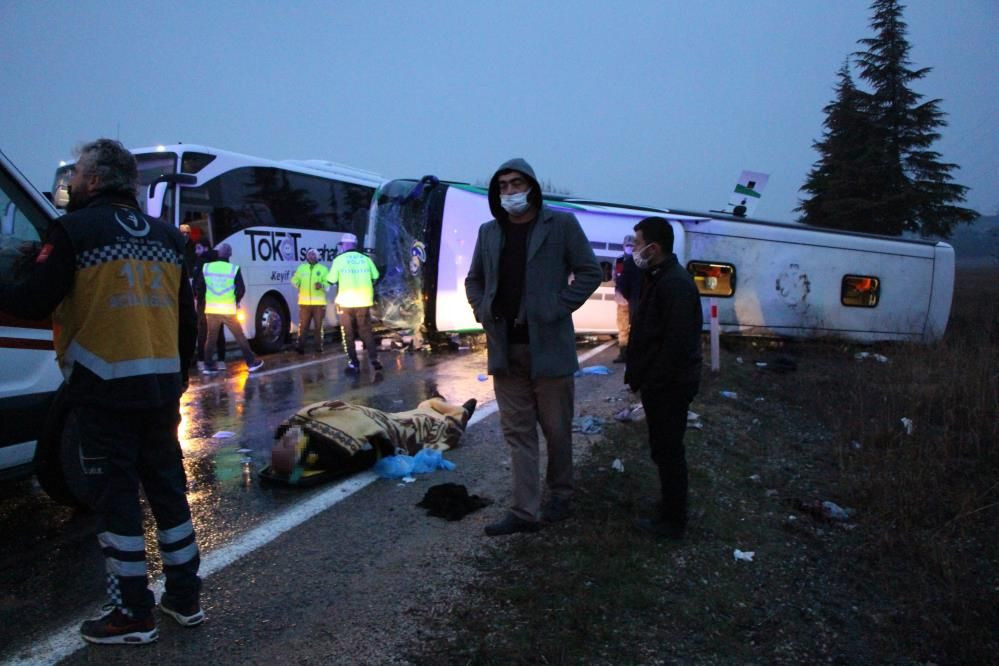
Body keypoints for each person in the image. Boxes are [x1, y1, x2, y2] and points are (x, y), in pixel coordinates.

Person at [0, 139, 204, 644]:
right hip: (159, 387)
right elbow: (186, 319)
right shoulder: (166, 238)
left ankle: (132, 614)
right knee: (167, 491)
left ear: (92, 181)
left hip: (102, 385)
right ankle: (184, 597)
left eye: (77, 177)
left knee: (116, 500)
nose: (71, 185)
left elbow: (32, 302)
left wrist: (29, 270)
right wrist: (178, 379)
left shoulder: (72, 232)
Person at [464, 158, 602, 536]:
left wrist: (558, 307)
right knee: (518, 432)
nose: (509, 191)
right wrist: (482, 310)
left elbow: (591, 271)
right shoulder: (489, 232)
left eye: (516, 183)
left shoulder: (561, 225)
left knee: (557, 429)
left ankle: (560, 493)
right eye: (503, 186)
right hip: (506, 350)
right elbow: (474, 279)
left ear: (532, 186)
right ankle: (524, 512)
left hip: (549, 347)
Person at [624, 216, 703, 540]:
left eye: (637, 243)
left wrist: (653, 382)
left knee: (669, 451)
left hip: (669, 386)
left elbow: (677, 344)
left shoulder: (674, 283)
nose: (634, 249)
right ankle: (668, 509)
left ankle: (673, 521)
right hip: (662, 384)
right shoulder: (659, 277)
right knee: (663, 449)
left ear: (654, 248)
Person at [196, 243, 264, 374]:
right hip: (228, 310)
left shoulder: (207, 267)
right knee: (239, 336)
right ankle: (251, 363)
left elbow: (200, 286)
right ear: (229, 255)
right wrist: (236, 300)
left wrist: (206, 300)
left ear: (218, 253)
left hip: (211, 310)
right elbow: (241, 289)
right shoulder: (233, 269)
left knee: (211, 338)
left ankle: (208, 366)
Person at [327, 233, 381, 373]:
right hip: (363, 302)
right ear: (355, 245)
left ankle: (354, 363)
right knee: (365, 331)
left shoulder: (339, 260)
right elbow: (376, 276)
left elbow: (331, 279)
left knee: (348, 334)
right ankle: (374, 359)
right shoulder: (366, 259)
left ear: (345, 245)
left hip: (346, 303)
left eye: (342, 245)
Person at [191, 241, 226, 371]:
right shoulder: (220, 260)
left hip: (205, 301)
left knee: (203, 331)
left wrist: (197, 294)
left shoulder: (201, 261)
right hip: (219, 300)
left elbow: (198, 281)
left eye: (198, 248)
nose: (196, 251)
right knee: (219, 330)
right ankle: (221, 361)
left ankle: (202, 361)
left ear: (206, 248)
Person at [291, 248, 330, 354]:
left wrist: (321, 285)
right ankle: (300, 347)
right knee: (303, 326)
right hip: (304, 303)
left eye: (313, 255)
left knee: (318, 326)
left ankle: (318, 347)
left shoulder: (323, 269)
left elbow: (328, 286)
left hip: (319, 304)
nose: (311, 256)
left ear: (317, 257)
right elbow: (294, 280)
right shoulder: (302, 268)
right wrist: (298, 285)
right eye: (309, 255)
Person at [613, 233, 641, 363]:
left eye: (631, 245)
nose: (629, 247)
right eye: (627, 245)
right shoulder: (619, 261)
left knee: (637, 327)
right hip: (622, 300)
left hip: (636, 300)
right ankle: (623, 353)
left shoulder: (640, 262)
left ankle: (634, 354)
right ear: (623, 246)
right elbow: (616, 278)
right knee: (623, 328)